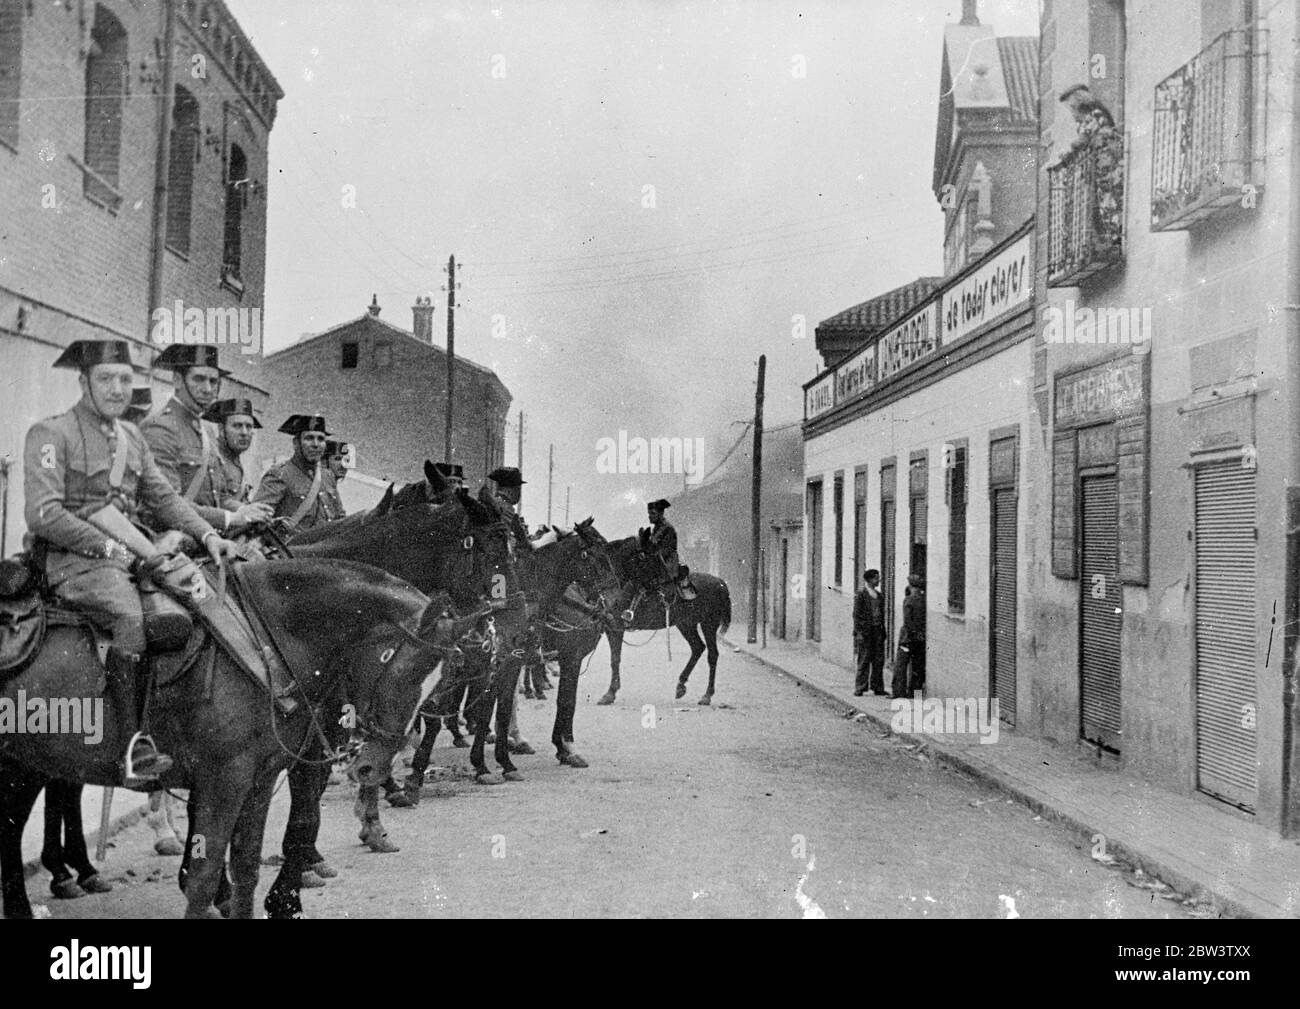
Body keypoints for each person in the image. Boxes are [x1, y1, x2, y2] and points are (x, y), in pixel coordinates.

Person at [22, 340, 241, 779]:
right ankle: (129, 745)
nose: (118, 388)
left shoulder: (131, 439)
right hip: (73, 559)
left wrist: (208, 534)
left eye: (125, 378)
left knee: (192, 605)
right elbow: (44, 513)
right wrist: (110, 549)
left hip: (129, 554)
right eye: (106, 378)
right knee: (130, 619)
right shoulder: (52, 433)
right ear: (84, 382)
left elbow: (163, 498)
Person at [140, 346, 271, 538]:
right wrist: (229, 518)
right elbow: (166, 503)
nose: (208, 389)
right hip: (171, 541)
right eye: (199, 379)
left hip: (208, 537)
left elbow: (217, 497)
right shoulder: (160, 427)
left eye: (213, 381)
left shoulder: (206, 431)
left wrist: (246, 511)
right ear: (177, 380)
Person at [252, 414, 345, 531]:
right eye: (309, 438)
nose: (316, 444)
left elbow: (339, 517)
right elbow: (256, 518)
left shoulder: (327, 476)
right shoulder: (280, 474)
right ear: (296, 443)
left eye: (321, 439)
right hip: (290, 546)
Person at [202, 397, 268, 522]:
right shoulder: (210, 457)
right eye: (237, 426)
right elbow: (216, 500)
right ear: (222, 429)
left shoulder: (236, 460)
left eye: (249, 427)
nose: (244, 432)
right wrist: (245, 510)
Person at [892, 574, 927, 699]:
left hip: (907, 638)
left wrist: (910, 635)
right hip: (921, 638)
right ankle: (915, 693)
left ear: (911, 586)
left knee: (901, 666)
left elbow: (907, 621)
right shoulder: (924, 599)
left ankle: (899, 693)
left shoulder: (909, 600)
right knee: (917, 666)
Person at [853, 568, 886, 696]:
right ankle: (860, 687)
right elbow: (856, 615)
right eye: (877, 578)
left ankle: (877, 687)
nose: (879, 580)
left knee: (878, 660)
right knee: (864, 659)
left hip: (877, 631)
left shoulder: (879, 596)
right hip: (866, 632)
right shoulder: (861, 595)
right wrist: (859, 633)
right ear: (870, 580)